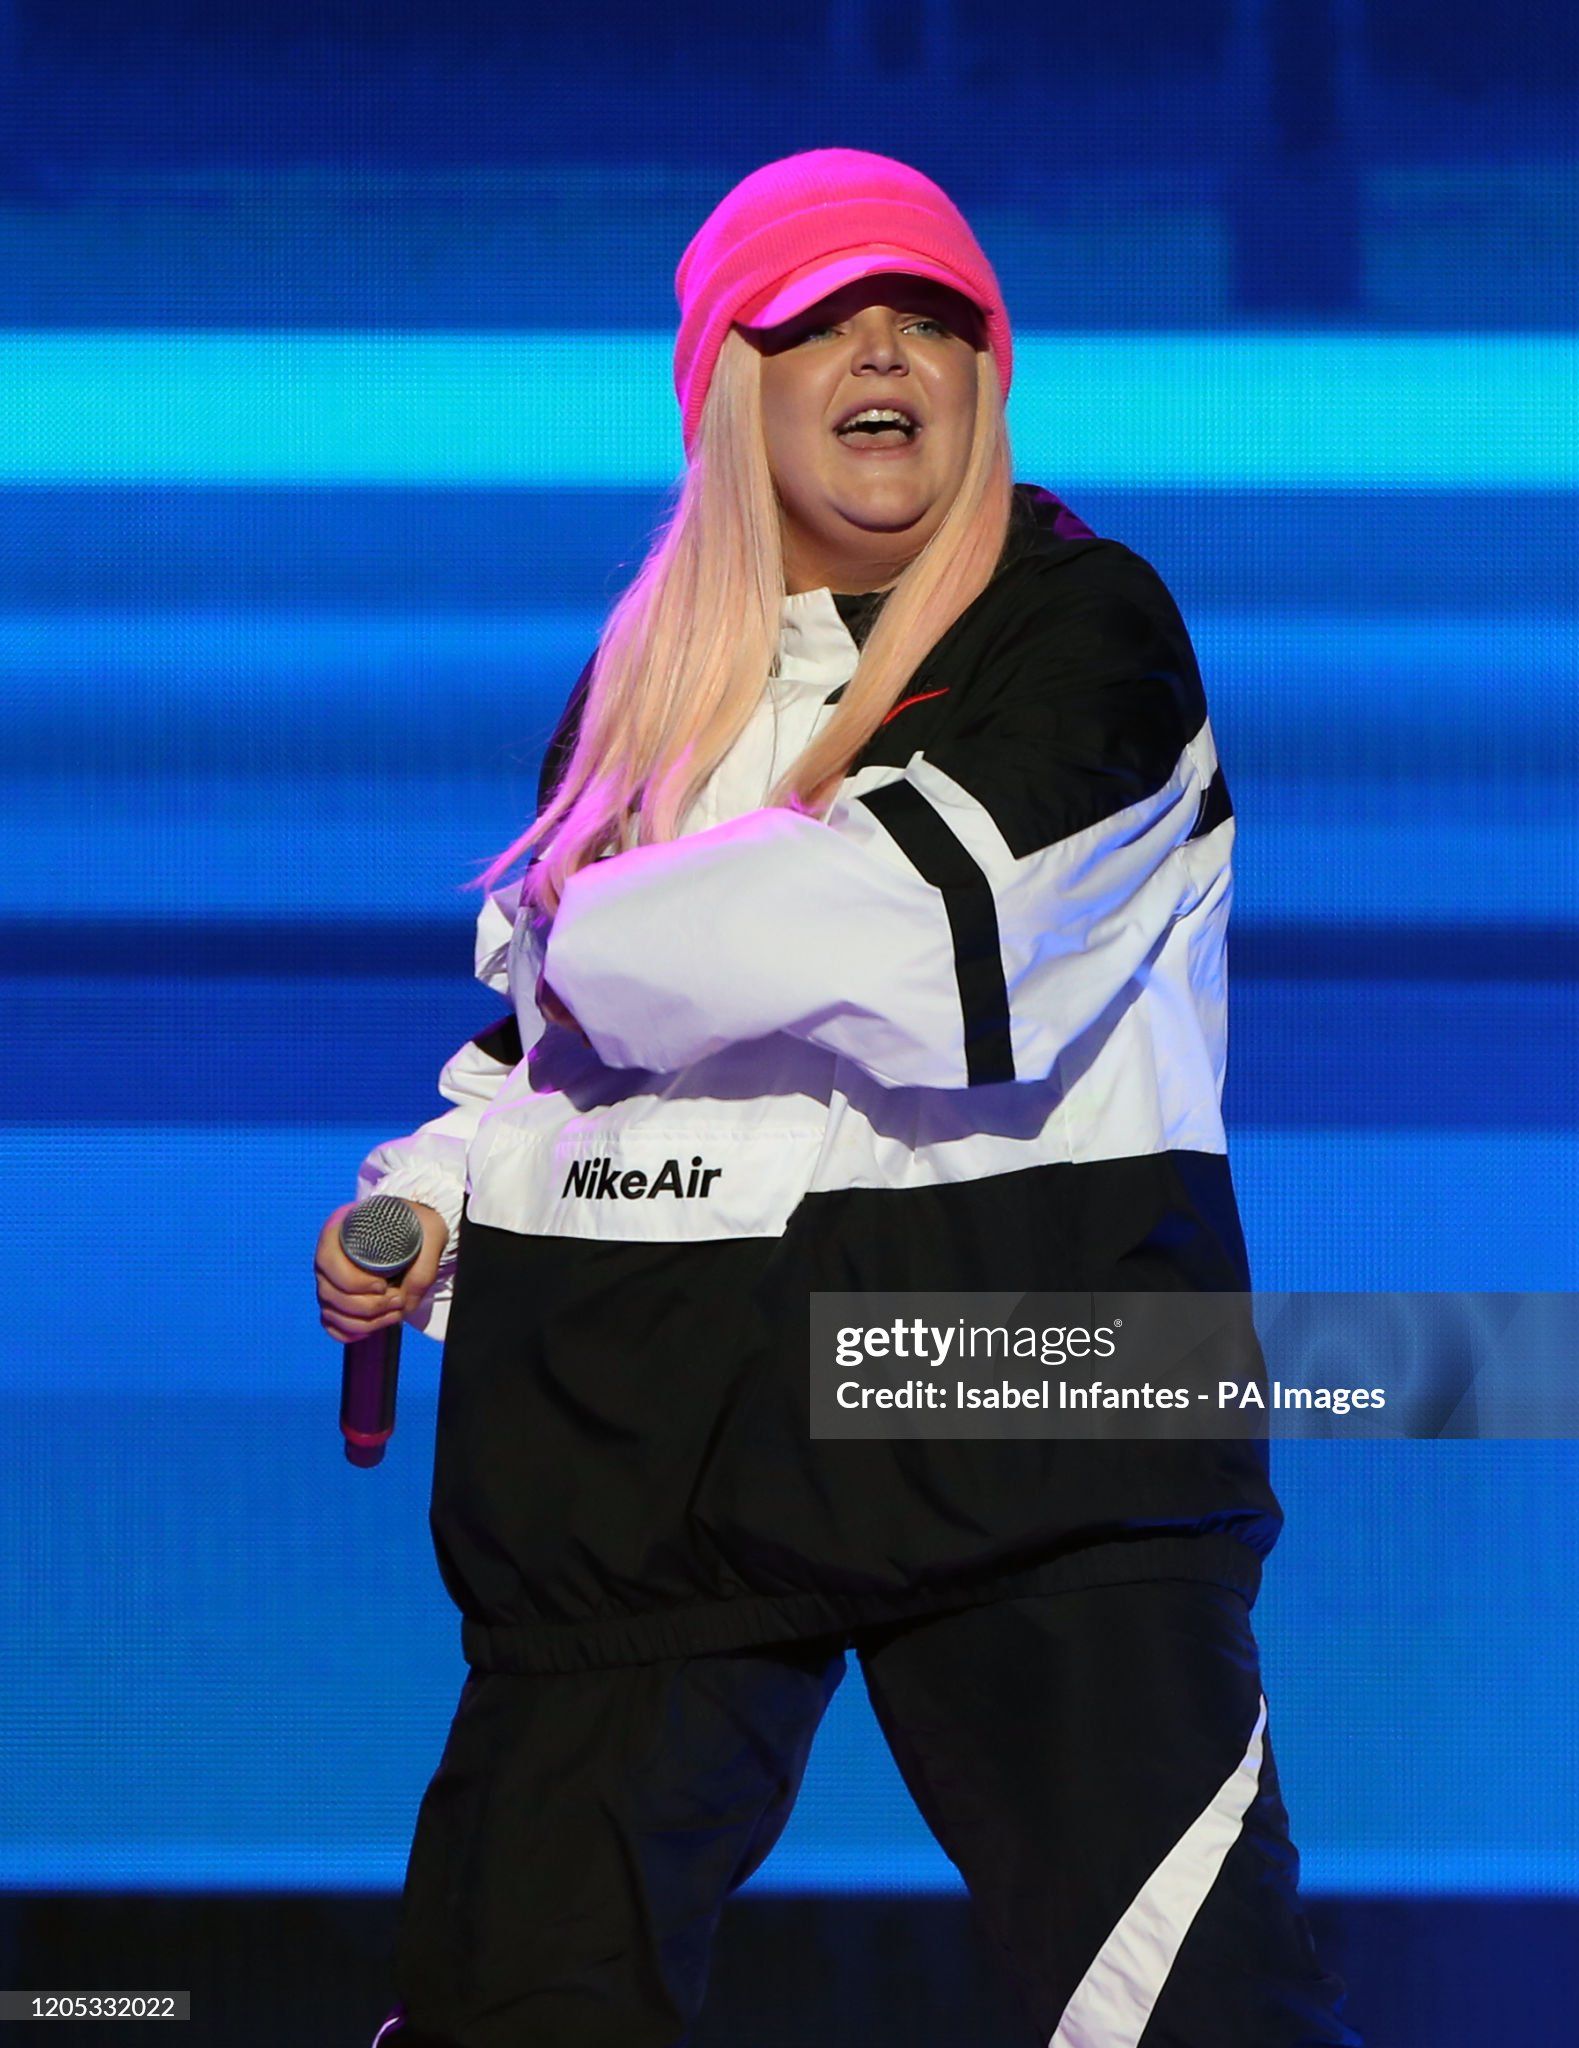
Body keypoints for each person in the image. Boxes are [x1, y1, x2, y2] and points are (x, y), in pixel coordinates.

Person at [314, 149, 1360, 2048]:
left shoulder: (1081, 625)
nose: (886, 351)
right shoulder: (647, 692)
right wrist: (434, 1190)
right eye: (820, 319)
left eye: (932, 316)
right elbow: (552, 1070)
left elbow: (920, 948)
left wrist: (579, 925)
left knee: (1191, 2022)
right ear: (729, 378)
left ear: (986, 373)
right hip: (654, 1425)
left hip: (1017, 1394)